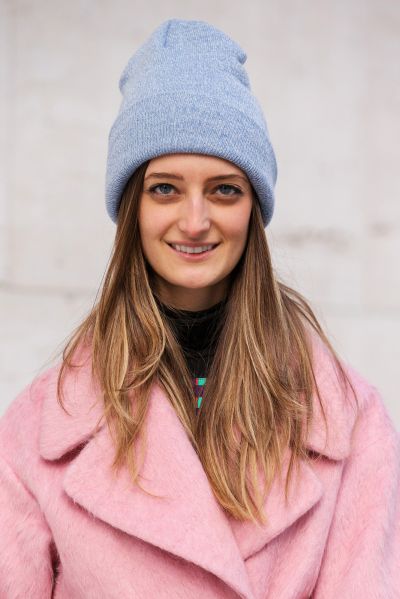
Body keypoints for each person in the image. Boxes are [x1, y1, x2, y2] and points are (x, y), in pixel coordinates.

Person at [0, 18, 399, 599]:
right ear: (132, 207)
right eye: (164, 188)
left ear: (254, 208)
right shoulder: (37, 431)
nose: (194, 221)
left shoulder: (348, 421)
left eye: (224, 189)